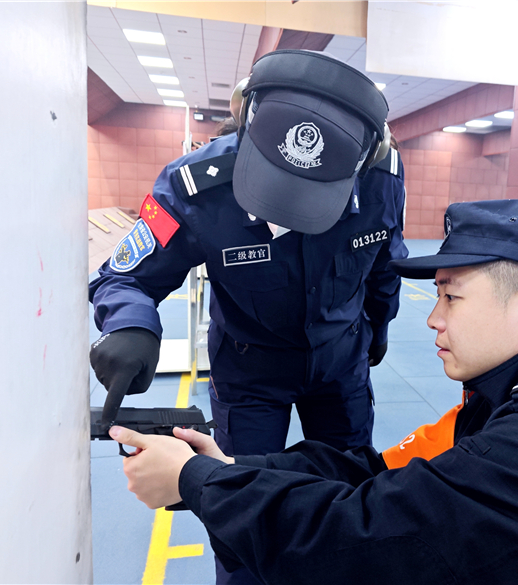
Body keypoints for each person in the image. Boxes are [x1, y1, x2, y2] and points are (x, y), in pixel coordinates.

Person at [111, 199, 518, 585]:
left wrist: (197, 483)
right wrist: (232, 468)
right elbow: (381, 473)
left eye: (451, 296)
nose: (433, 318)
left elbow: (362, 541)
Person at [89, 49, 406, 583]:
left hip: (341, 365)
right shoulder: (198, 187)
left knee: (351, 496)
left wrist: (381, 324)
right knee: (238, 507)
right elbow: (125, 276)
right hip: (249, 371)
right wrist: (130, 325)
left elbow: (384, 265)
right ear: (250, 122)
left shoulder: (381, 178)